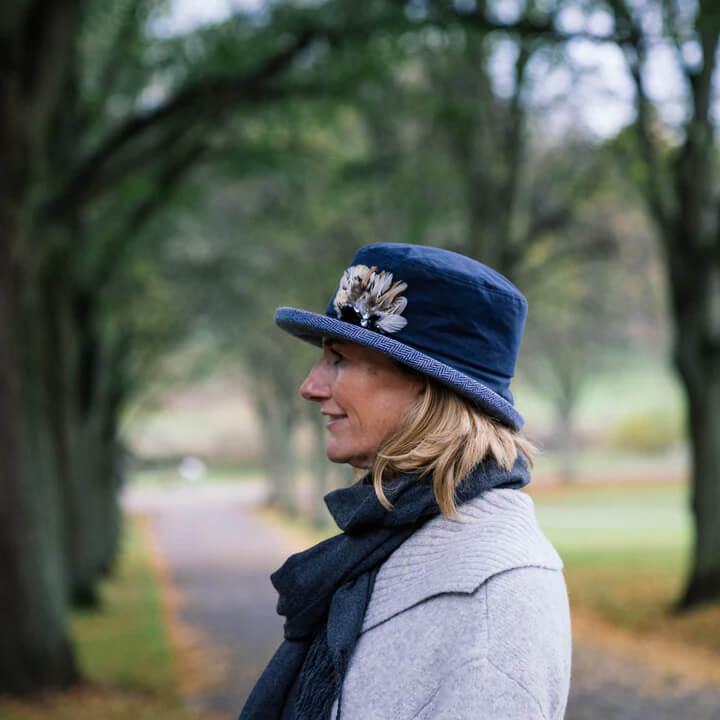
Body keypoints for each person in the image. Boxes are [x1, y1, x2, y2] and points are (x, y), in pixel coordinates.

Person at [239, 243, 571, 720]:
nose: (310, 387)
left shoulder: (494, 598)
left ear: (427, 384)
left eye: (339, 359)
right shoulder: (391, 539)